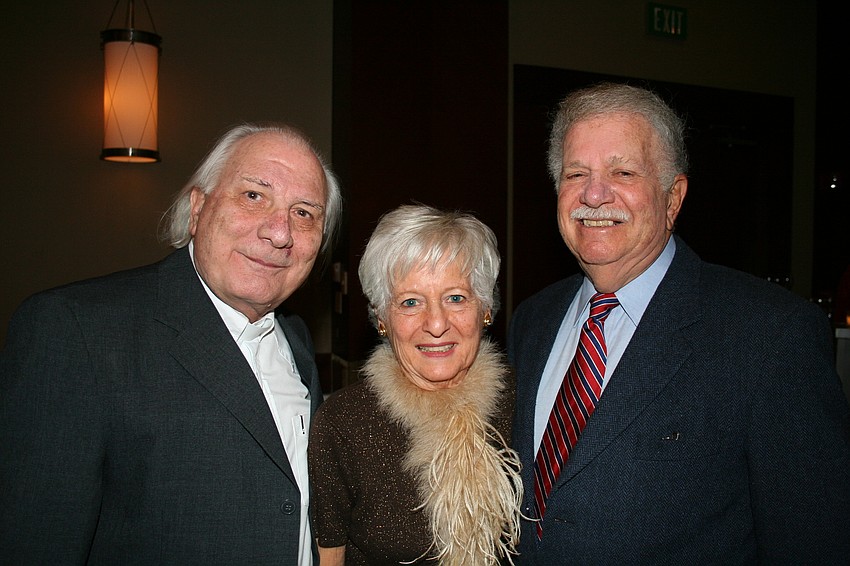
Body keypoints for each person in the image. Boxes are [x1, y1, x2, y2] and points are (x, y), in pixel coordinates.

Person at [508, 82, 850, 563]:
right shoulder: (531, 321)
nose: (593, 193)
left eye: (623, 171)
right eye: (575, 173)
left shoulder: (771, 336)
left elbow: (814, 543)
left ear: (673, 197)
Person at [0, 122, 343, 565]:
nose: (279, 232)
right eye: (254, 196)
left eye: (304, 213)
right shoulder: (75, 330)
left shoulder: (296, 341)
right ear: (198, 208)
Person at [308, 204, 523, 565]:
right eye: (410, 302)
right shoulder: (344, 423)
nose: (436, 324)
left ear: (485, 308)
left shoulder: (528, 401)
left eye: (455, 297)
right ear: (382, 319)